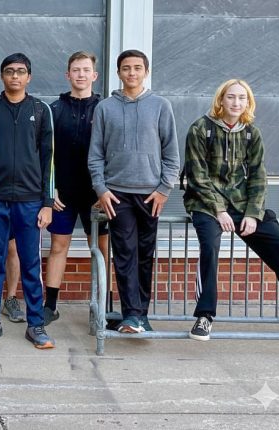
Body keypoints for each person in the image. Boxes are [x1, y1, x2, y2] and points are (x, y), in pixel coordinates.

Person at [183, 79, 279, 340]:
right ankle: (204, 317)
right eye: (231, 97)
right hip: (206, 204)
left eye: (242, 98)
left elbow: (259, 177)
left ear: (248, 102)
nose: (236, 103)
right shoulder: (201, 129)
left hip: (242, 205)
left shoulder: (251, 133)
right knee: (210, 248)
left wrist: (253, 213)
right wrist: (218, 210)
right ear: (221, 100)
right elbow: (197, 177)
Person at [87, 49, 180, 334]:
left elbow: (171, 154)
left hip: (150, 194)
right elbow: (95, 154)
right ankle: (131, 316)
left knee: (145, 254)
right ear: (118, 72)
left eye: (137, 68)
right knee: (125, 253)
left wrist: (164, 189)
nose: (132, 73)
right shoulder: (105, 108)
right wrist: (101, 189)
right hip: (117, 195)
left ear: (146, 71)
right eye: (126, 68)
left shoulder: (161, 106)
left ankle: (141, 314)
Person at [0, 53, 55, 349]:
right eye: (9, 72)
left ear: (29, 77)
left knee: (31, 264)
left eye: (21, 72)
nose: (15, 77)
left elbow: (49, 160)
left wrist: (47, 202)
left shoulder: (41, 110)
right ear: (2, 76)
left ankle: (36, 325)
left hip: (30, 202)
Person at [45, 51, 109, 324]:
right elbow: (45, 154)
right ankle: (50, 305)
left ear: (94, 75)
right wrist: (51, 190)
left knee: (103, 250)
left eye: (86, 70)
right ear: (68, 75)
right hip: (63, 194)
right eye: (76, 70)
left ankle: (105, 308)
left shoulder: (107, 109)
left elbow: (113, 153)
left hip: (96, 195)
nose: (81, 74)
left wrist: (104, 191)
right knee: (58, 246)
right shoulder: (54, 110)